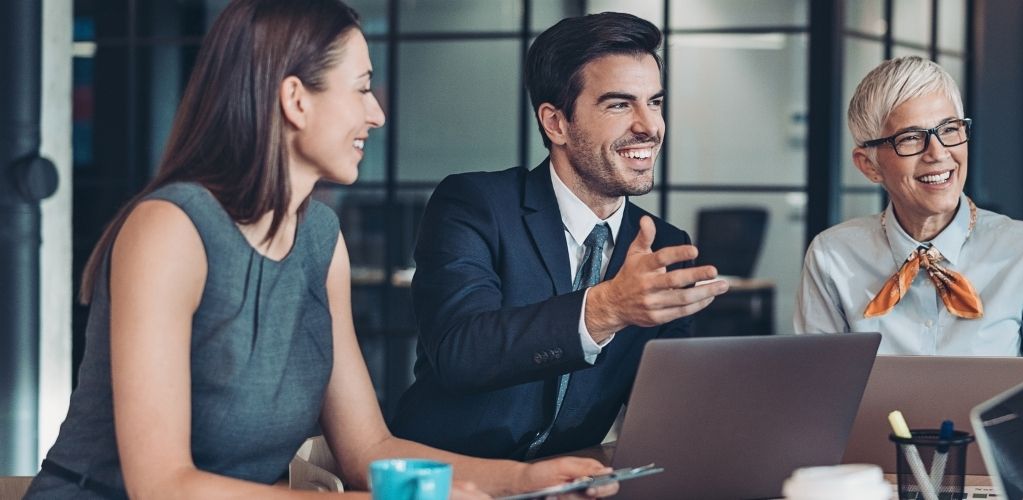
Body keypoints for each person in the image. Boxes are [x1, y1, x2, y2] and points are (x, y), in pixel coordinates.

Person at [24, 0, 613, 498]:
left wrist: (525, 479)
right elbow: (162, 485)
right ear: (296, 99)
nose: (376, 114)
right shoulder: (170, 229)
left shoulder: (319, 240)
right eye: (361, 89)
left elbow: (369, 450)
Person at [390, 12, 730, 460]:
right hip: (445, 474)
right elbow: (460, 353)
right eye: (619, 105)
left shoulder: (663, 247)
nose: (649, 126)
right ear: (556, 123)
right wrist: (607, 308)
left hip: (567, 480)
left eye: (655, 102)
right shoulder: (476, 205)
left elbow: (665, 408)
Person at [794, 56, 1023, 440]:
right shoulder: (832, 257)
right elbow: (817, 399)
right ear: (869, 165)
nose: (938, 152)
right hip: (874, 472)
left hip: (991, 474)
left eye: (949, 129)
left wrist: (1005, 464)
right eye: (911, 138)